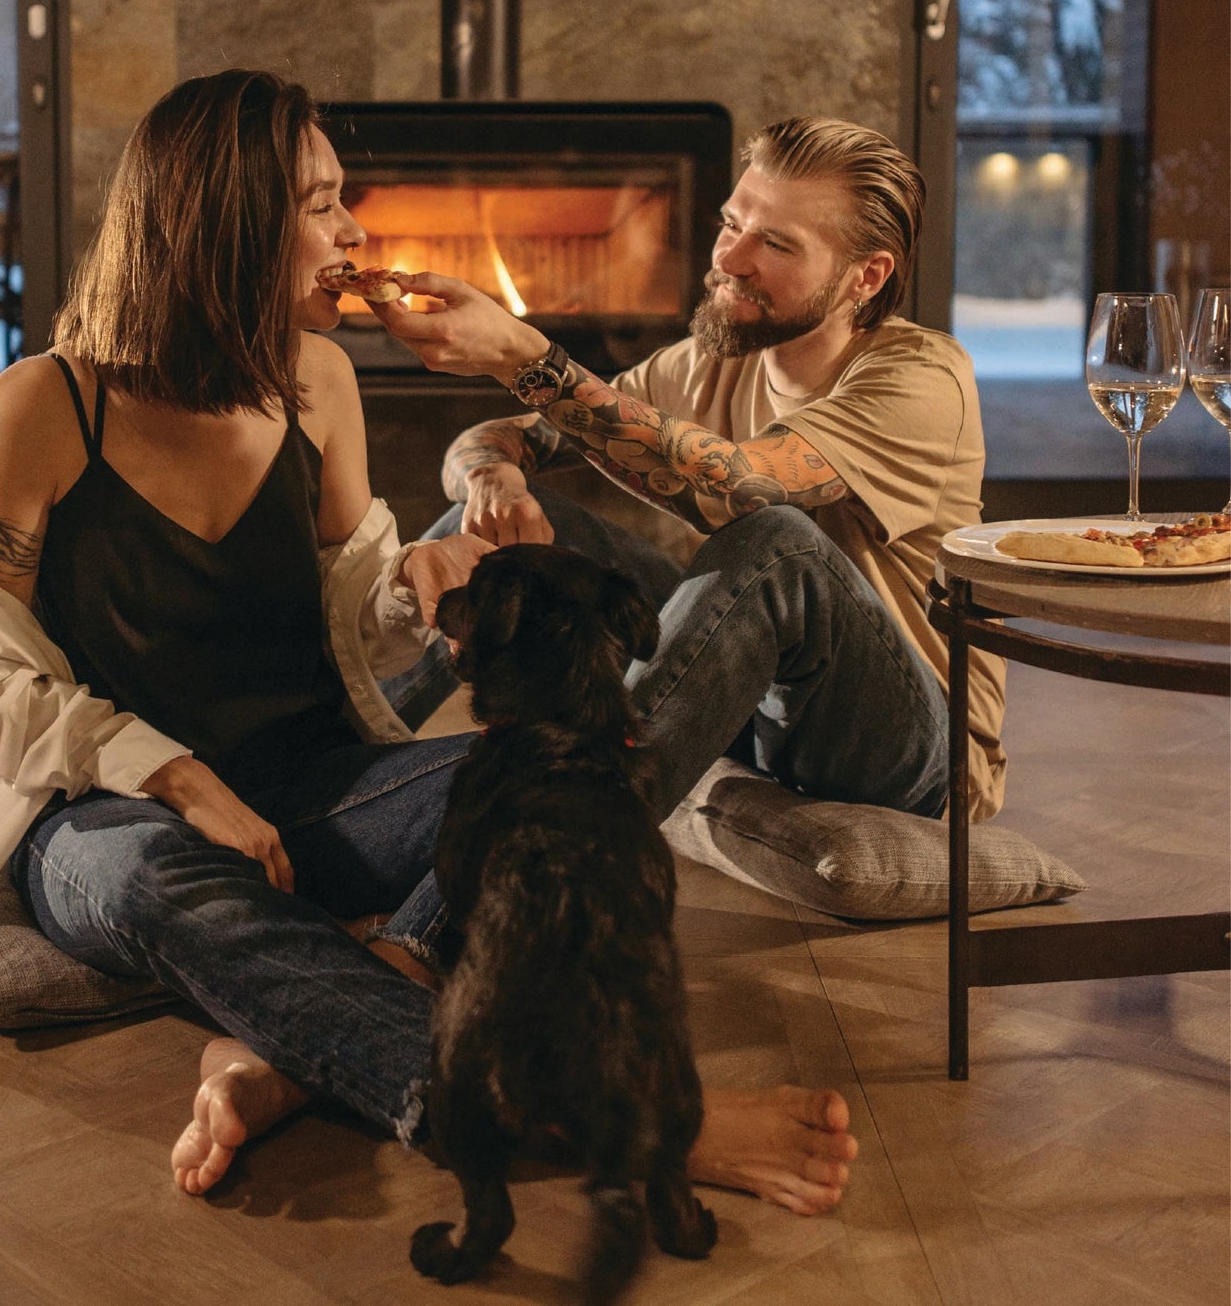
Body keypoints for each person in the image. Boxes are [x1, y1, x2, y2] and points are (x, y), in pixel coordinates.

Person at [0, 72, 859, 1219]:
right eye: (319, 202)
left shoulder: (317, 382)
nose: (354, 230)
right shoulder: (46, 405)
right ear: (224, 222)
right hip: (101, 816)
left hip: (313, 793)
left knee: (548, 772)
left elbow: (350, 611)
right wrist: (170, 775)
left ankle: (288, 1051)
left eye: (346, 197)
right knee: (140, 877)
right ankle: (599, 1108)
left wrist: (411, 582)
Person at [368, 115, 1007, 829]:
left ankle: (572, 829)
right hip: (756, 710)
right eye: (733, 223)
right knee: (486, 527)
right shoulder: (710, 360)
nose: (729, 259)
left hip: (904, 750)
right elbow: (503, 438)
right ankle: (333, 768)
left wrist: (525, 357)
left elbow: (738, 484)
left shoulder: (922, 377)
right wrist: (492, 478)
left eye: (775, 243)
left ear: (868, 275)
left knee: (774, 541)